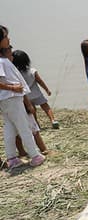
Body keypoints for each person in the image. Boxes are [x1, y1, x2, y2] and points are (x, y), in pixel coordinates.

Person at [0, 25, 46, 169]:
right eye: (6, 37)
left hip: (5, 100)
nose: (8, 39)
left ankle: (12, 158)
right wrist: (12, 87)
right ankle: (35, 155)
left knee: (10, 128)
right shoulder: (1, 61)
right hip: (12, 98)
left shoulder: (3, 60)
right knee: (23, 127)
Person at [11, 49, 59, 129]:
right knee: (46, 107)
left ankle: (37, 124)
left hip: (27, 97)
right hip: (37, 94)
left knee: (32, 110)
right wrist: (47, 90)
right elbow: (40, 81)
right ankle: (53, 120)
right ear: (27, 60)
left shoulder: (16, 74)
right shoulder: (32, 71)